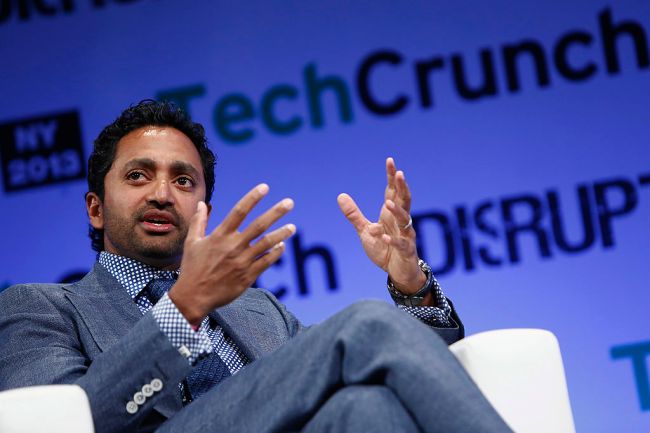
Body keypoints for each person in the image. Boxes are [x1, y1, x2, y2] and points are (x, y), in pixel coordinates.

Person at [0, 100, 511, 433]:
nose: (162, 194)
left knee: (366, 409)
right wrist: (184, 308)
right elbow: (59, 422)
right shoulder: (39, 308)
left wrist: (410, 282)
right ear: (95, 208)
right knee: (366, 324)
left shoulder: (259, 310)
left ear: (203, 208)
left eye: (183, 181)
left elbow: (405, 363)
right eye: (138, 175)